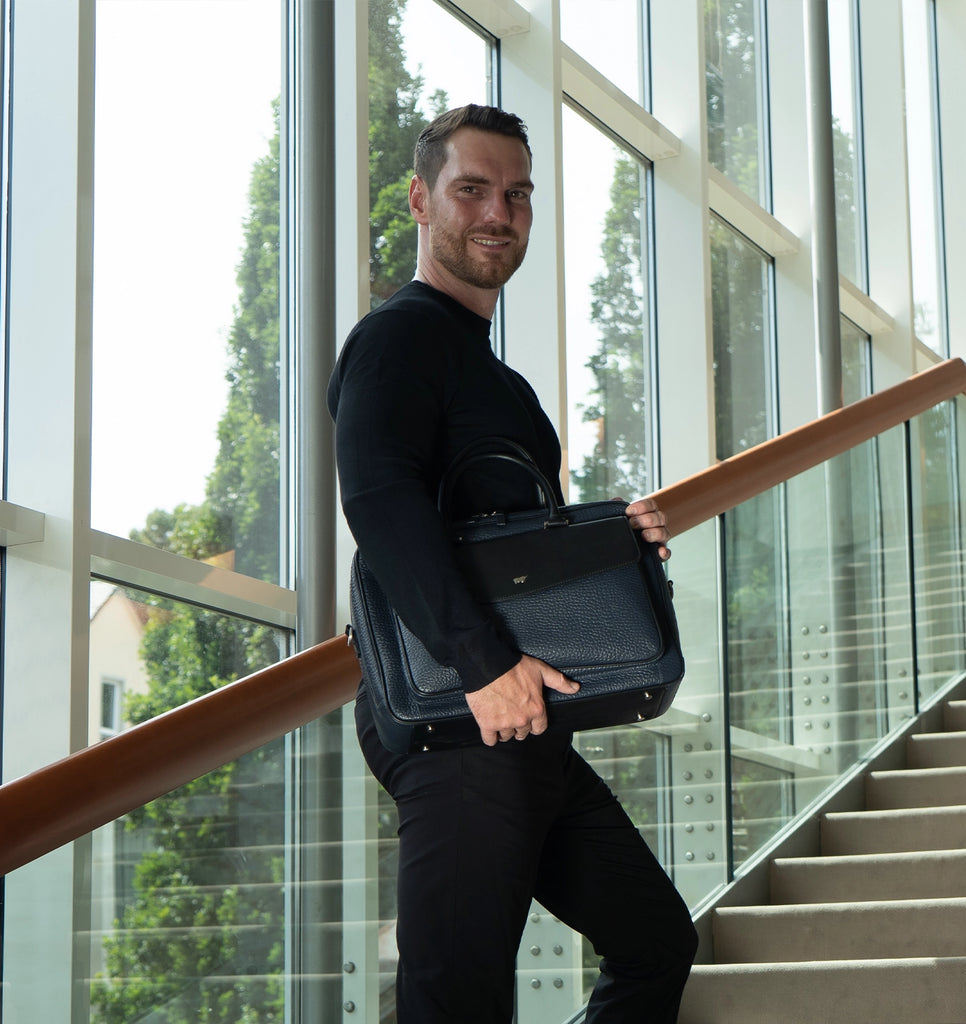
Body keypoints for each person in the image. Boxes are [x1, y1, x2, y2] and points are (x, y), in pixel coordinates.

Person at [327, 104, 697, 1023]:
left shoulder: (502, 383)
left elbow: (509, 546)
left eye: (517, 194)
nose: (499, 212)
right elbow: (379, 500)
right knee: (457, 1000)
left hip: (522, 715)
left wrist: (614, 539)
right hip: (463, 713)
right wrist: (482, 664)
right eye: (472, 189)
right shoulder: (397, 338)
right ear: (420, 201)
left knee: (656, 940)